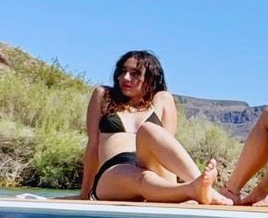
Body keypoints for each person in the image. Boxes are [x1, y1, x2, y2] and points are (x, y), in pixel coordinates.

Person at [80, 50, 231, 204]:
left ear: (151, 78)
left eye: (135, 73)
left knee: (148, 129)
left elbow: (167, 148)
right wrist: (84, 193)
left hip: (153, 166)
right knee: (142, 177)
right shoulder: (104, 95)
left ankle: (200, 188)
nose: (126, 78)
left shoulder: (162, 100)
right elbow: (93, 146)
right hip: (115, 170)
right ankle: (189, 191)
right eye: (123, 71)